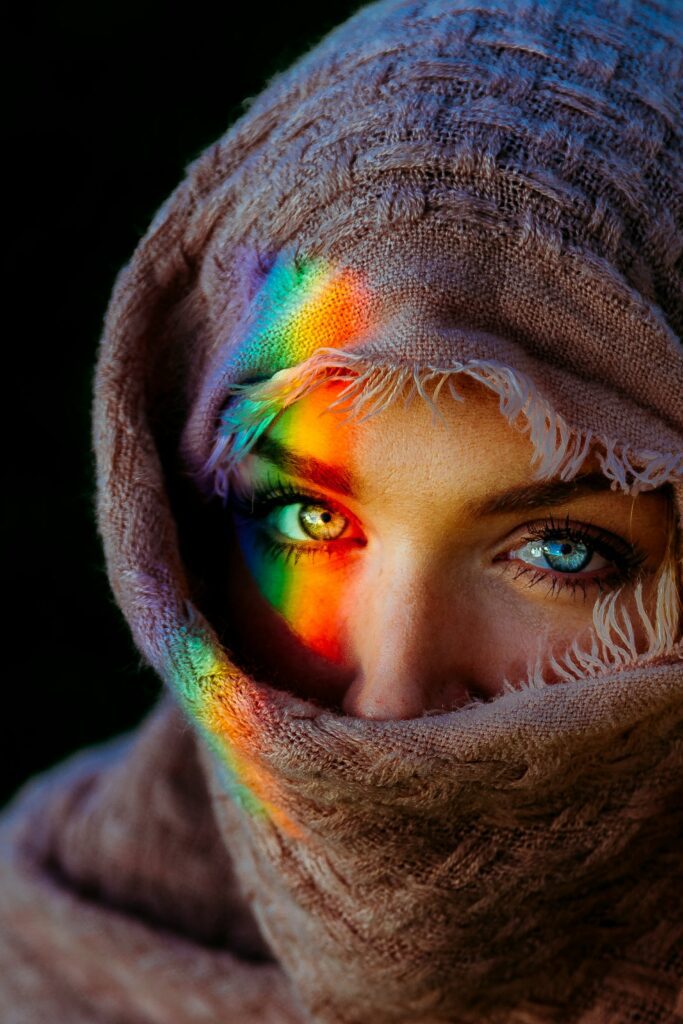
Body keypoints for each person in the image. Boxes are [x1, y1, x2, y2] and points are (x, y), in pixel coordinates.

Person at [1, 0, 681, 1021]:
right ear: (176, 537)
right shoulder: (50, 955)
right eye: (306, 520)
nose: (391, 693)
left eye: (560, 549)